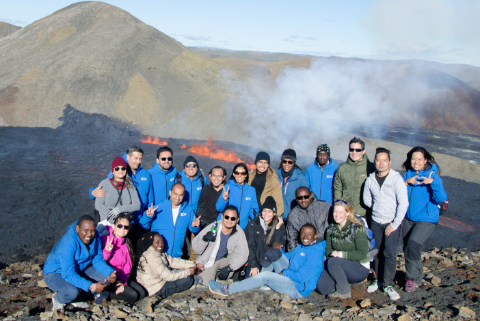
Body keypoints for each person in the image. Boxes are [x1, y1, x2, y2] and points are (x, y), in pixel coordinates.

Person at [208, 224, 326, 299]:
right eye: (303, 234)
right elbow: (290, 258)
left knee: (265, 276)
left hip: (298, 288)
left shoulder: (315, 254)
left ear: (315, 236)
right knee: (273, 253)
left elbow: (301, 276)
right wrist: (280, 251)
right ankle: (262, 283)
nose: (305, 236)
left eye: (309, 235)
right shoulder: (302, 246)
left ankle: (227, 289)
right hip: (291, 275)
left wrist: (284, 273)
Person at [43, 215, 117, 311]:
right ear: (77, 229)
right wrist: (92, 286)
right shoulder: (68, 243)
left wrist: (110, 273)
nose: (89, 234)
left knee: (105, 279)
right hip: (57, 272)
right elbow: (68, 274)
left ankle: (76, 297)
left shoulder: (96, 235)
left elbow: (97, 259)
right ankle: (58, 299)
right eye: (85, 230)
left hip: (80, 269)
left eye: (92, 230)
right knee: (71, 292)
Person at [363, 147, 409, 300]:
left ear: (389, 162)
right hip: (376, 221)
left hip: (391, 222)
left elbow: (403, 203)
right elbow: (367, 200)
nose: (381, 163)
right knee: (376, 252)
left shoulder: (396, 179)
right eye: (378, 160)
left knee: (389, 253)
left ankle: (388, 284)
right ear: (374, 161)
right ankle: (378, 280)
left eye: (384, 160)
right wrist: (377, 209)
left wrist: (394, 224)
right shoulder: (370, 180)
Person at [401, 146, 447, 293]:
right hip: (408, 218)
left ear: (425, 160)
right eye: (413, 159)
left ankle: (412, 279)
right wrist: (406, 182)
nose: (416, 162)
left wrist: (432, 182)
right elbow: (398, 193)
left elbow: (441, 198)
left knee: (413, 245)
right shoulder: (407, 174)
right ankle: (417, 276)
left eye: (419, 159)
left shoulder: (432, 174)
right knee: (408, 247)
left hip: (427, 218)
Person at [316, 200, 370, 299]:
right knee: (322, 287)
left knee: (333, 262)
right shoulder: (330, 229)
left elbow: (362, 254)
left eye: (341, 212)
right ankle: (341, 282)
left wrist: (341, 255)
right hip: (338, 266)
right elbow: (329, 249)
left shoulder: (357, 228)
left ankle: (344, 291)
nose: (337, 215)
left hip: (359, 268)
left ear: (347, 213)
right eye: (335, 212)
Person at [139, 183, 201, 258]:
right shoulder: (158, 208)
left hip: (176, 256)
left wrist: (194, 226)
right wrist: (148, 216)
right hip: (158, 255)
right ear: (170, 193)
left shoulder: (188, 210)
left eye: (181, 195)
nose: (177, 198)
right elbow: (143, 225)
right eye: (175, 194)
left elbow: (194, 230)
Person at [193, 207, 249, 286]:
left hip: (225, 261)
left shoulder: (239, 232)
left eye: (233, 219)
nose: (229, 221)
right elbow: (196, 249)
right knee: (205, 283)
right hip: (209, 261)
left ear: (237, 220)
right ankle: (213, 275)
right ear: (222, 217)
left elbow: (243, 253)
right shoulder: (213, 227)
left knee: (238, 256)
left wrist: (230, 267)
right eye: (227, 217)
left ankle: (224, 276)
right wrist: (204, 239)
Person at [136, 232, 201, 297]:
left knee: (181, 272)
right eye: (157, 242)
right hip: (154, 288)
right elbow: (169, 276)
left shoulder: (157, 252)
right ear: (151, 243)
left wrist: (193, 264)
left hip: (157, 281)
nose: (160, 245)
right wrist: (189, 271)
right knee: (188, 279)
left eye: (162, 242)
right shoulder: (152, 257)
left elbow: (172, 261)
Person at [100, 213, 147, 303]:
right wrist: (107, 251)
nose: (122, 229)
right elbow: (99, 263)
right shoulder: (104, 240)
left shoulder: (127, 243)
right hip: (109, 279)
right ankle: (105, 294)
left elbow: (127, 265)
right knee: (133, 295)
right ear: (113, 226)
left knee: (142, 293)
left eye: (126, 227)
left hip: (121, 278)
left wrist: (122, 281)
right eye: (120, 226)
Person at [95, 157, 140, 233]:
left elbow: (137, 205)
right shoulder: (105, 184)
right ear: (112, 171)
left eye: (123, 168)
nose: (120, 171)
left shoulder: (130, 185)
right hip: (107, 224)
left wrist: (119, 210)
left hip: (123, 226)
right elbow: (98, 205)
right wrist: (113, 216)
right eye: (117, 169)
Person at [244, 196, 287, 278]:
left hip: (270, 260)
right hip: (256, 260)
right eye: (264, 211)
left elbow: (277, 248)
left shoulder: (279, 225)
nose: (266, 214)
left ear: (274, 213)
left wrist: (277, 229)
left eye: (269, 211)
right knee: (251, 281)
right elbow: (250, 246)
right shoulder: (253, 225)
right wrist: (253, 266)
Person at [333, 137, 375, 217]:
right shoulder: (342, 168)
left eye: (358, 150)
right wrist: (338, 208)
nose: (354, 152)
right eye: (351, 150)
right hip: (346, 212)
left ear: (363, 151)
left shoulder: (370, 168)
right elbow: (338, 189)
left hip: (364, 213)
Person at [216, 163, 259, 229]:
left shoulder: (251, 190)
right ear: (233, 174)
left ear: (246, 175)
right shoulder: (228, 187)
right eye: (237, 173)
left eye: (242, 173)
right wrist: (224, 200)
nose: (239, 175)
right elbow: (219, 208)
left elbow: (254, 210)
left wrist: (256, 221)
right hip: (225, 226)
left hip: (242, 228)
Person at [286, 187, 330, 252]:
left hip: (324, 246)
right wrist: (295, 255)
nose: (303, 200)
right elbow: (292, 239)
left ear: (310, 196)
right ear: (296, 199)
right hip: (305, 248)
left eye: (306, 197)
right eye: (300, 198)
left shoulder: (324, 206)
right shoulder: (293, 215)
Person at [248, 151, 284, 218]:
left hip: (265, 217)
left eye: (265, 163)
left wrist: (273, 219)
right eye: (260, 162)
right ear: (256, 163)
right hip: (248, 216)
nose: (262, 165)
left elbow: (279, 204)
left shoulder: (273, 181)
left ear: (268, 164)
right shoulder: (249, 177)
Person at [275, 149, 308, 218]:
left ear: (294, 163)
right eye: (284, 161)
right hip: (276, 217)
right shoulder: (275, 175)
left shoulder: (301, 179)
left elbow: (304, 200)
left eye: (290, 162)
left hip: (292, 217)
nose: (287, 164)